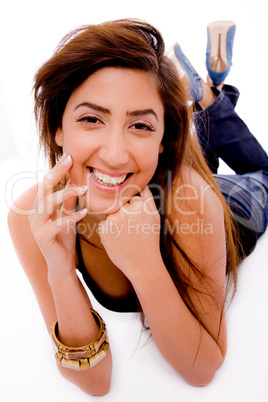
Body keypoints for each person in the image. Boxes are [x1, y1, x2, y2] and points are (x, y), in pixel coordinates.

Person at [7, 19, 268, 395]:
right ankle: (210, 101)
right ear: (58, 127)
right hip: (151, 175)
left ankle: (210, 103)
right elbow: (95, 383)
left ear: (164, 139)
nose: (113, 154)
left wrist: (145, 264)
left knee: (261, 171)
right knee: (194, 166)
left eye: (141, 126)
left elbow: (202, 370)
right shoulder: (33, 216)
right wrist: (60, 272)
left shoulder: (191, 204)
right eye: (91, 119)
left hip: (233, 205)